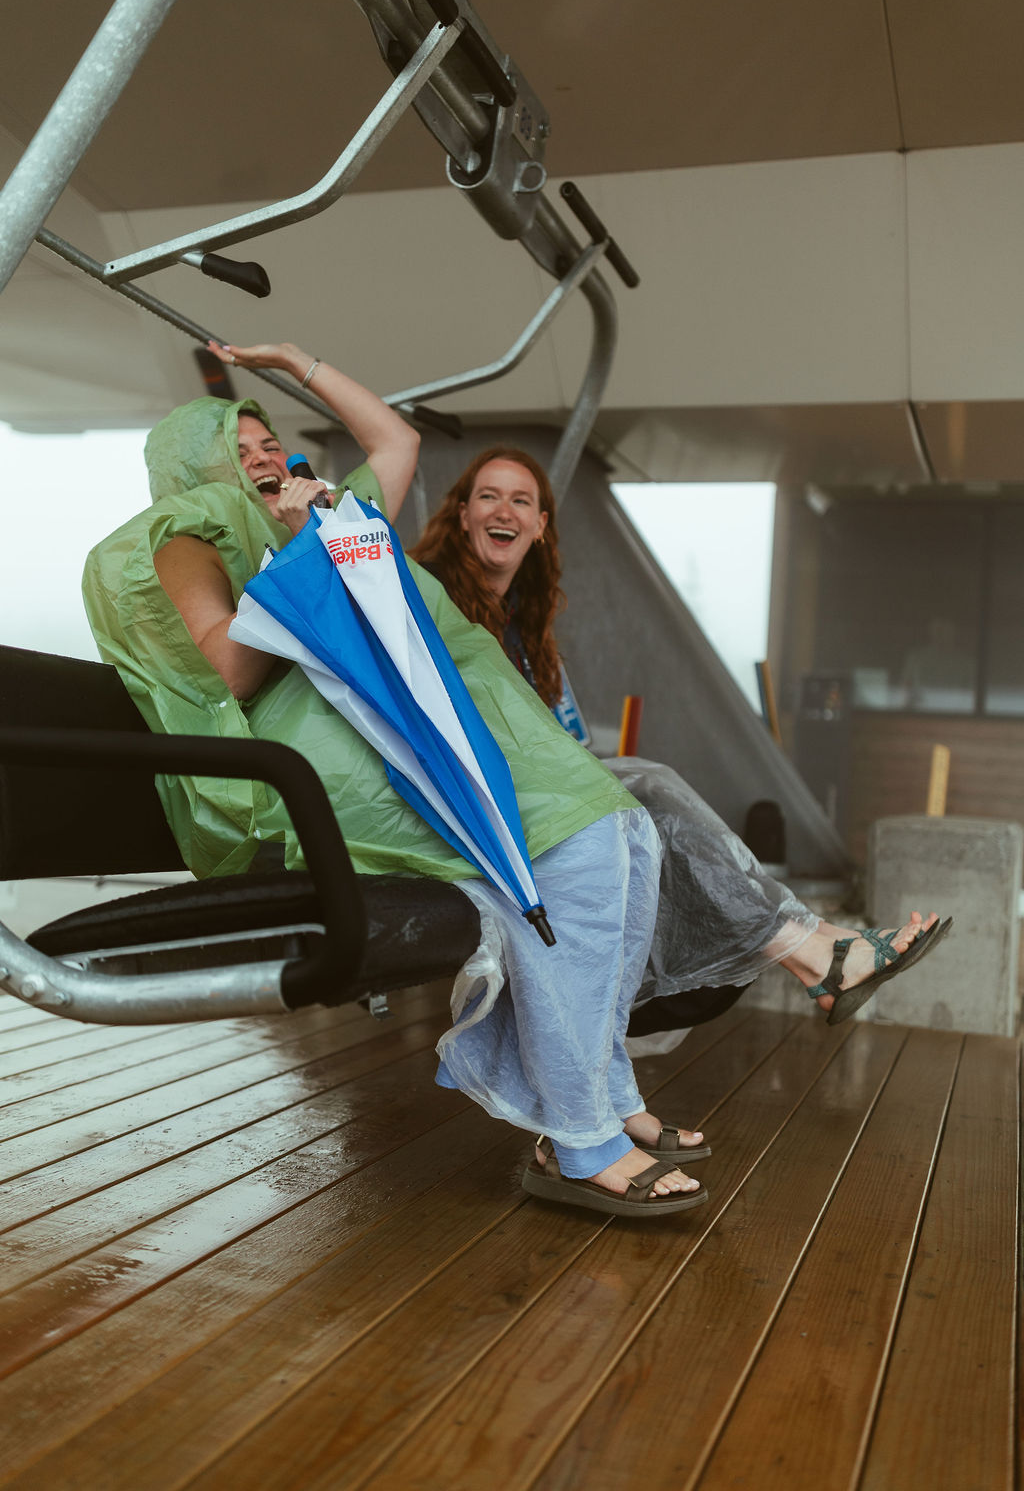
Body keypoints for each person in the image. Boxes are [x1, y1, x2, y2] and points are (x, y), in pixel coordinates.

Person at [82, 340, 713, 1220]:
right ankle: (581, 1135)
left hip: (371, 743)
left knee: (619, 835)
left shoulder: (317, 517)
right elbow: (230, 669)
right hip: (300, 774)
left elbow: (395, 443)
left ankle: (597, 1101)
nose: (267, 457)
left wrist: (295, 365)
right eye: (243, 445)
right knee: (559, 858)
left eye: (273, 443)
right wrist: (312, 557)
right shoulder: (190, 531)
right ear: (198, 466)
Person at [409, 445, 949, 1035]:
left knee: (649, 814)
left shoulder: (524, 622)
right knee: (652, 786)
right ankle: (820, 950)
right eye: (488, 496)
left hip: (535, 798)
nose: (502, 510)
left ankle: (819, 946)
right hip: (471, 803)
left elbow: (560, 738)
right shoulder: (425, 597)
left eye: (521, 500)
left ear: (540, 527)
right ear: (461, 514)